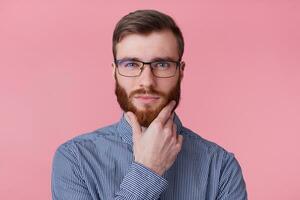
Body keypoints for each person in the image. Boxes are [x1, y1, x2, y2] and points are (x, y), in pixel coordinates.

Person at [51, 9, 247, 200]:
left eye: (161, 64)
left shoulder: (221, 168)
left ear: (181, 71)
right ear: (114, 72)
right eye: (131, 64)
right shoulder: (75, 159)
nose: (146, 81)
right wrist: (149, 169)